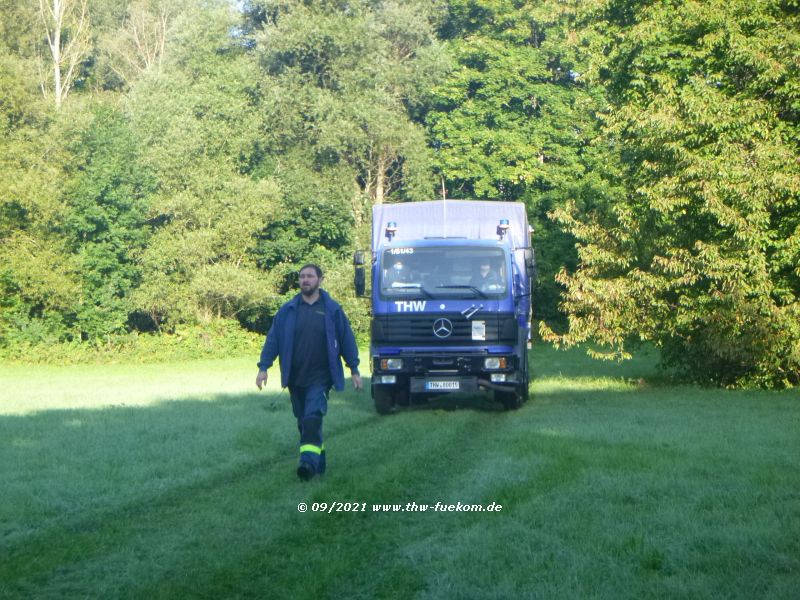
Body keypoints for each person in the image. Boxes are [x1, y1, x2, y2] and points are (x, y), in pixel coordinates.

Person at [256, 264, 363, 481]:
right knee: (304, 423)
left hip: (321, 378)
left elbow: (346, 339)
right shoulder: (288, 310)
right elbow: (273, 339)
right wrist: (263, 367)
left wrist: (354, 369)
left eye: (310, 276)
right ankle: (319, 461)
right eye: (302, 276)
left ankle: (307, 464)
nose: (305, 280)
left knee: (312, 418)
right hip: (295, 379)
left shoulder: (332, 310)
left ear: (320, 280)